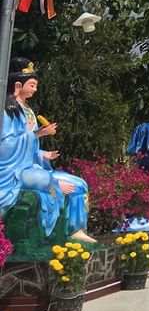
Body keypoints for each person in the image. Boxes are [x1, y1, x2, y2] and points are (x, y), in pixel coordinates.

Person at [0, 58, 94, 241]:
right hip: (13, 172)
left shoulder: (28, 111)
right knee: (44, 179)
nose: (35, 90)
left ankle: (76, 230)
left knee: (79, 184)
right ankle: (55, 189)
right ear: (18, 85)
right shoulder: (8, 111)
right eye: (32, 85)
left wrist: (44, 155)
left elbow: (31, 151)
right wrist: (37, 135)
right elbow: (5, 148)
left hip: (31, 166)